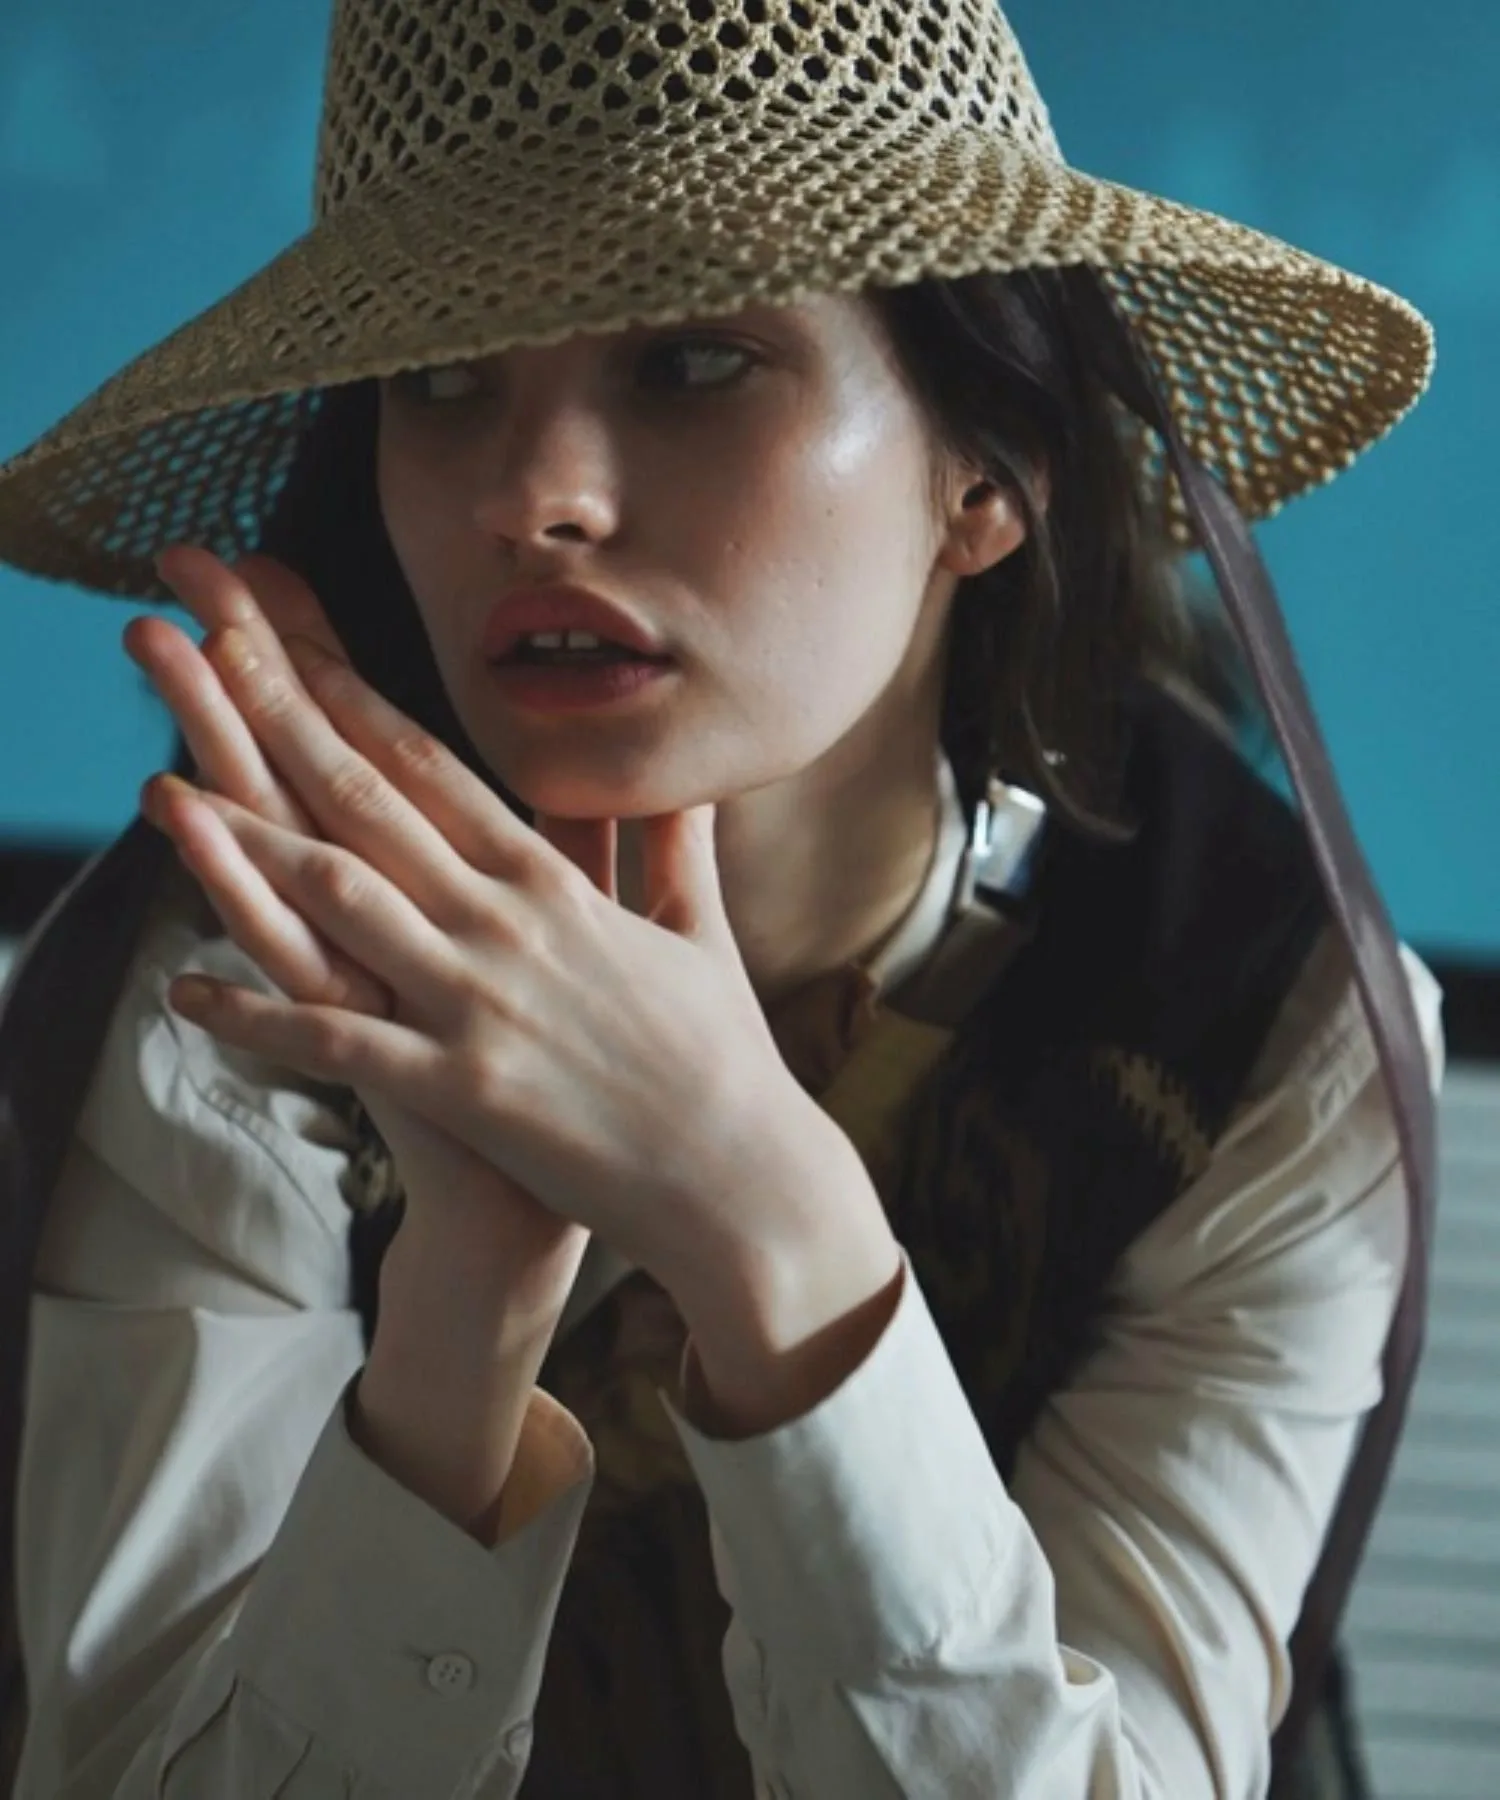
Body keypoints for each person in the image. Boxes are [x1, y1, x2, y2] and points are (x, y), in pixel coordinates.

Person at [0, 2, 1445, 1797]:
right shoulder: (247, 972)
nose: (534, 497)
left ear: (987, 476)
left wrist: (765, 1214)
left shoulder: (1260, 1022)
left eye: (691, 360)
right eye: (442, 380)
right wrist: (461, 1311)